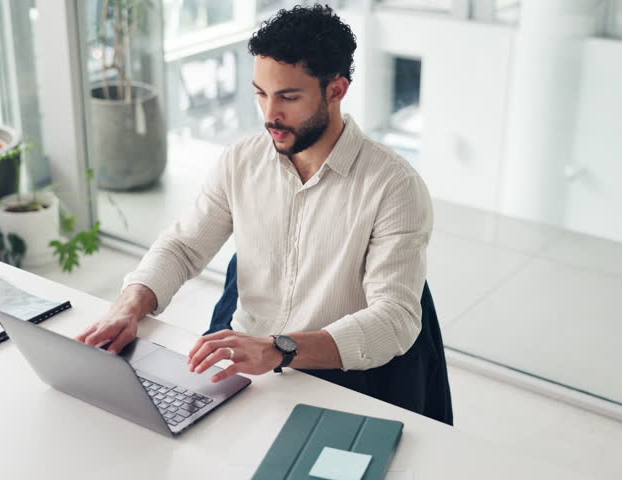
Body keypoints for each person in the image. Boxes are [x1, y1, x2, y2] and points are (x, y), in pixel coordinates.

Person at [77, 4, 434, 389]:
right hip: (241, 364)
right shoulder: (241, 160)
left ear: (336, 90)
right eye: (261, 94)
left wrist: (281, 349)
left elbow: (394, 318)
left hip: (332, 378)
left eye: (288, 97)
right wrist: (127, 308)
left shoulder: (394, 186)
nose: (269, 114)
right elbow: (182, 247)